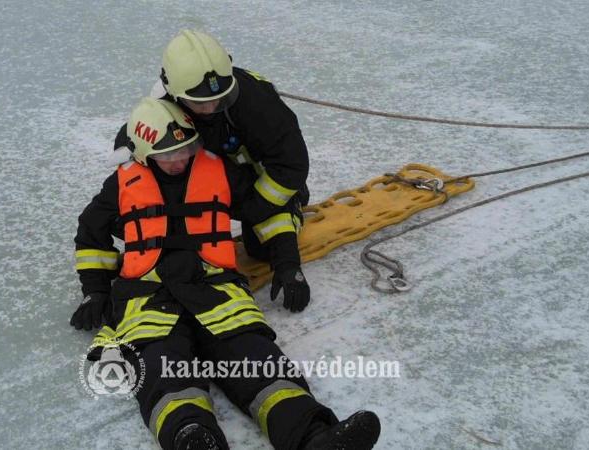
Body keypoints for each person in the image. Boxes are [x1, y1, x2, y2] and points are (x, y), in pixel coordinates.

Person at [73, 97, 380, 450]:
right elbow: (90, 233)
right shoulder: (122, 185)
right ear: (142, 153)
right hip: (149, 297)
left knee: (257, 360)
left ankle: (314, 437)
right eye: (166, 154)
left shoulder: (218, 172)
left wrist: (287, 265)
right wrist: (95, 291)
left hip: (215, 291)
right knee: (164, 368)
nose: (178, 160)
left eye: (185, 149)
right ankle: (190, 438)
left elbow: (267, 211)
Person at [115, 29, 311, 313]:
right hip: (214, 172)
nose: (210, 106)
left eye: (218, 98)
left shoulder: (257, 102)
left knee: (260, 248)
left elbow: (291, 162)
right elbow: (134, 141)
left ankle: (290, 203)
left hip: (256, 176)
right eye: (199, 102)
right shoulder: (165, 104)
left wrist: (286, 260)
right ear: (175, 92)